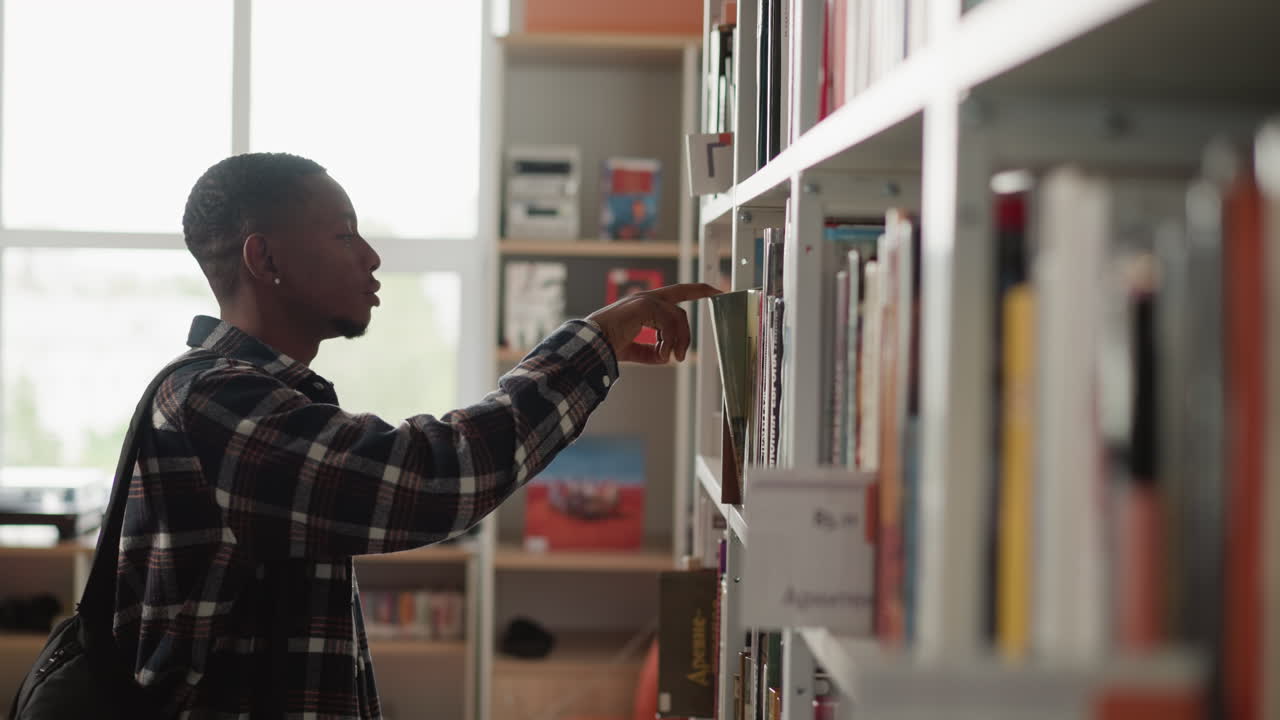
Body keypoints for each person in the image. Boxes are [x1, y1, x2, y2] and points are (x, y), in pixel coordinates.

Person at [112, 152, 718, 718]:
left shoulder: (255, 398)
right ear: (265, 259)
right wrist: (595, 344)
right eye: (345, 234)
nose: (371, 257)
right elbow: (432, 479)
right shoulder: (212, 404)